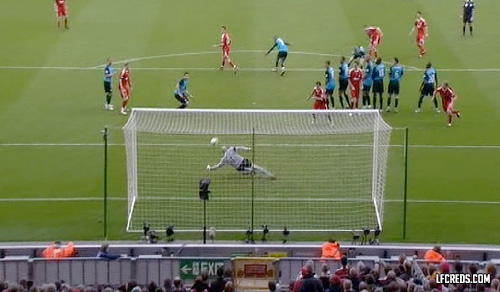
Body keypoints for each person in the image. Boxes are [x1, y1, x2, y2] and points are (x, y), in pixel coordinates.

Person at [206, 146, 275, 178]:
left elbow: (218, 166)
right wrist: (247, 149)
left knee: (252, 170)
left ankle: (255, 172)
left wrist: (210, 168)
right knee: (256, 168)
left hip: (239, 167)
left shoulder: (224, 159)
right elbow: (239, 148)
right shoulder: (231, 149)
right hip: (243, 161)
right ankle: (268, 174)